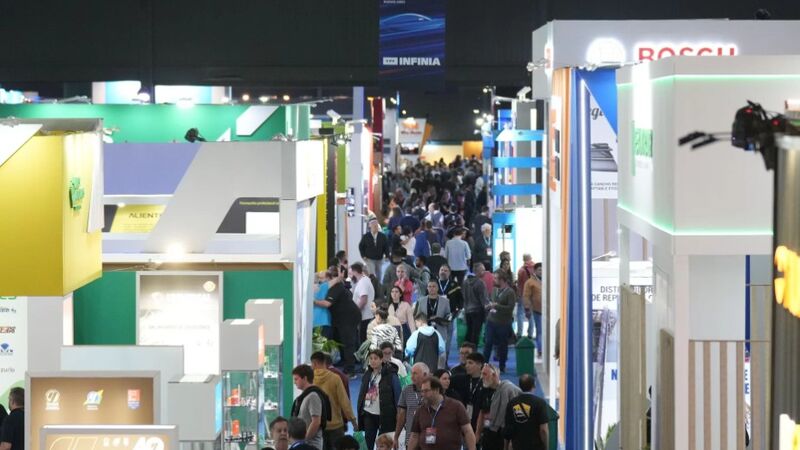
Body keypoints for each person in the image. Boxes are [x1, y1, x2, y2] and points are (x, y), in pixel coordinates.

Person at [407, 377, 476, 450]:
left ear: (437, 390)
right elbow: (414, 436)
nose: (423, 394)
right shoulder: (420, 410)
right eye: (422, 391)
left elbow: (468, 431)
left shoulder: (456, 407)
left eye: (426, 391)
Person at [310, 352, 357, 450]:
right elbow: (345, 402)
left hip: (318, 426)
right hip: (336, 426)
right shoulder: (335, 378)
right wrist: (353, 422)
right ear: (325, 362)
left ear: (314, 363)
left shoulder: (310, 380)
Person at [357, 350, 401, 450]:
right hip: (369, 413)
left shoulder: (391, 375)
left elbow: (398, 395)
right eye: (371, 359)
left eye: (375, 358)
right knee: (368, 442)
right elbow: (362, 394)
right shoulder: (367, 374)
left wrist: (399, 413)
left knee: (384, 443)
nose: (373, 361)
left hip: (385, 415)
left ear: (381, 359)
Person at [323, 266, 361, 376]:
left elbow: (327, 303)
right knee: (340, 340)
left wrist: (313, 301)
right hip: (341, 318)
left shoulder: (336, 287)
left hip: (348, 318)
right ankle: (345, 363)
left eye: (325, 279)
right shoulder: (335, 286)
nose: (323, 282)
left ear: (330, 278)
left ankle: (350, 369)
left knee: (348, 342)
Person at [477, 363, 521, 450]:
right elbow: (481, 412)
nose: (481, 377)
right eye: (481, 374)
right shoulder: (483, 390)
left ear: (494, 375)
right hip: (489, 432)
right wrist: (477, 433)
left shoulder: (509, 390)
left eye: (484, 374)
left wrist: (513, 440)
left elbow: (517, 416)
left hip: (504, 434)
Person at [503, 374, 549, 450]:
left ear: (519, 386)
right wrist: (546, 447)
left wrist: (505, 447)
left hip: (517, 446)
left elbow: (507, 429)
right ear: (534, 386)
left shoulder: (512, 403)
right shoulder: (540, 403)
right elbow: (543, 430)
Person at [483, 270, 516, 373]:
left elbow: (510, 308)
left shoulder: (510, 292)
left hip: (503, 323)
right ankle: (484, 365)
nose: (494, 280)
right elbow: (492, 302)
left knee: (503, 345)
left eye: (496, 278)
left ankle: (502, 366)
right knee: (488, 343)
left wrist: (497, 306)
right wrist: (489, 306)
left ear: (502, 280)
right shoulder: (494, 290)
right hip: (491, 320)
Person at [394, 363, 429, 449]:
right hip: (411, 439)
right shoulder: (406, 390)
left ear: (425, 375)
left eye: (415, 373)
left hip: (429, 439)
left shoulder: (433, 391)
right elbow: (401, 416)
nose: (412, 377)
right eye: (411, 373)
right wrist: (396, 436)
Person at [291, 365, 327, 450]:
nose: (294, 382)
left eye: (296, 379)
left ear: (305, 378)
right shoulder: (304, 396)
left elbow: (316, 422)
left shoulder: (313, 396)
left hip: (311, 445)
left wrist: (304, 441)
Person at [451, 352, 486, 431]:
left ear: (479, 365)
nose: (467, 366)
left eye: (470, 363)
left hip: (479, 419)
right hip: (462, 418)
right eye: (466, 363)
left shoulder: (485, 382)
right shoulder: (460, 379)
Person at [414, 280, 451, 353]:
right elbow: (417, 316)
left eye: (434, 286)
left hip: (440, 331)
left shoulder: (445, 301)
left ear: (437, 288)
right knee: (426, 353)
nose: (431, 288)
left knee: (440, 354)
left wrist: (439, 319)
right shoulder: (421, 301)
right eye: (429, 286)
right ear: (427, 288)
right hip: (425, 331)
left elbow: (448, 316)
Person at [436, 264, 462, 361]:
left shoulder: (454, 285)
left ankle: (445, 359)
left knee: (448, 338)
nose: (443, 272)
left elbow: (460, 300)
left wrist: (457, 310)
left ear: (449, 273)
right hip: (436, 316)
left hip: (449, 316)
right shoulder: (433, 284)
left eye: (445, 270)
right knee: (436, 338)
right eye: (441, 270)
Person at [463, 264, 489, 347]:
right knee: (476, 334)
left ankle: (466, 350)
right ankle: (473, 351)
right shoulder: (480, 283)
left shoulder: (465, 282)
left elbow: (463, 297)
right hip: (478, 311)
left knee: (469, 332)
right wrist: (488, 309)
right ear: (477, 271)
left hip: (467, 310)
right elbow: (484, 300)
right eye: (483, 270)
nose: (484, 272)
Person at [350, 262, 376, 345]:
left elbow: (363, 300)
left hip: (364, 317)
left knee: (363, 342)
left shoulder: (363, 282)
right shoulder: (364, 281)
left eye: (350, 273)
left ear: (355, 272)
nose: (350, 276)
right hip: (365, 316)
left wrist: (354, 313)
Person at [522, 263, 544, 357]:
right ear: (535, 271)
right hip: (537, 310)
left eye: (542, 270)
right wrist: (527, 308)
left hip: (548, 310)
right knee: (540, 331)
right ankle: (540, 350)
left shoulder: (548, 280)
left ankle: (545, 349)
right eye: (539, 270)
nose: (541, 272)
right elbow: (526, 296)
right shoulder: (530, 282)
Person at [515, 255, 536, 339]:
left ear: (523, 259)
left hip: (523, 294)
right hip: (533, 295)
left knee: (520, 314)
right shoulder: (535, 269)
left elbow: (519, 284)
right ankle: (530, 334)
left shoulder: (521, 270)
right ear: (530, 258)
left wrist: (518, 294)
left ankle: (519, 333)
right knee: (531, 315)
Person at [313, 271, 333, 339]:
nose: (320, 280)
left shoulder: (323, 286)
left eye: (321, 278)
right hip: (322, 321)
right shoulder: (323, 287)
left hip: (319, 321)